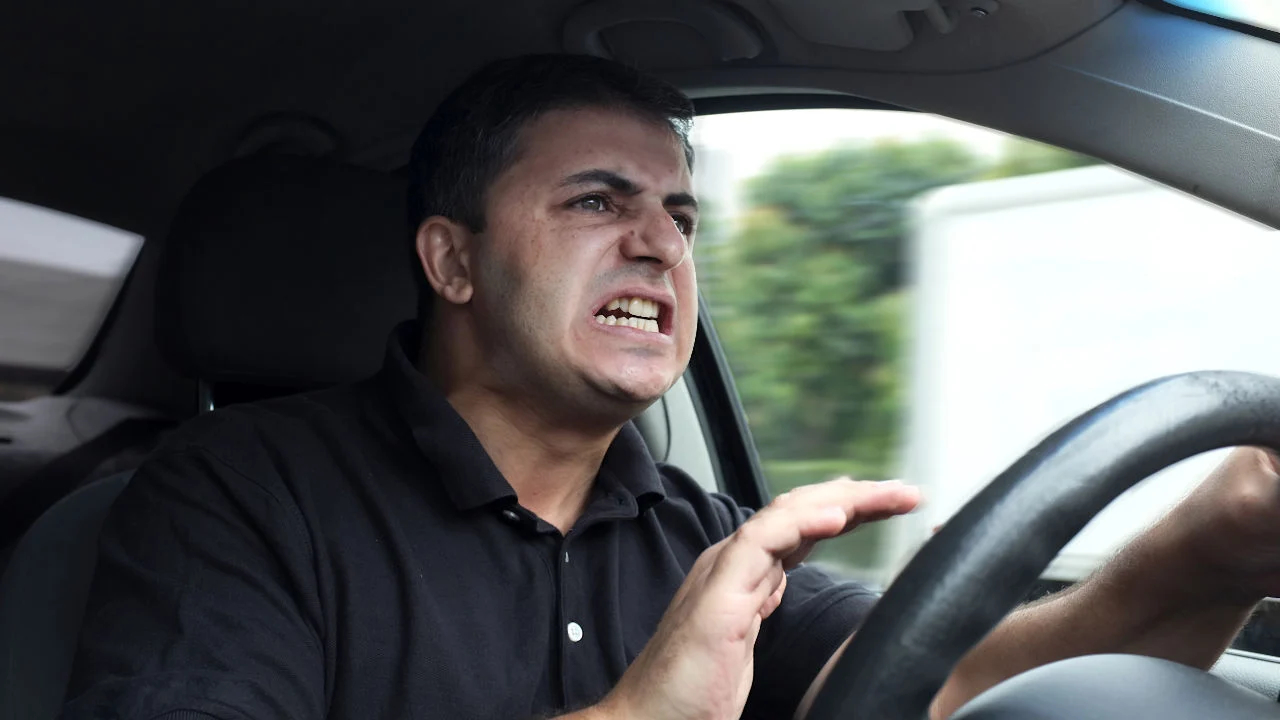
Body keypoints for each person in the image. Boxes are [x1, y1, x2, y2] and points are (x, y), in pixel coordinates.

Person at [61, 53, 1280, 720]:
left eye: (678, 215)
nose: (658, 244)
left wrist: (1205, 553)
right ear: (451, 261)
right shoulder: (234, 495)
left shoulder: (698, 535)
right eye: (597, 200)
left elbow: (953, 685)